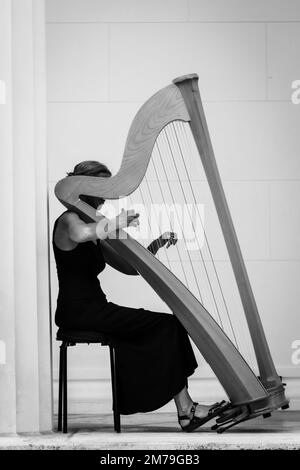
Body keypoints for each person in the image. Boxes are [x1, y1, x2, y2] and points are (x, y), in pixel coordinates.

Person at [53, 160, 219, 432]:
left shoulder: (97, 229)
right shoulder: (69, 220)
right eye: (103, 188)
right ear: (86, 186)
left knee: (170, 324)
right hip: (77, 310)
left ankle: (186, 409)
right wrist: (113, 224)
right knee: (166, 325)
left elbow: (130, 268)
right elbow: (81, 234)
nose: (107, 196)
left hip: (96, 307)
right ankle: (186, 410)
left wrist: (156, 244)